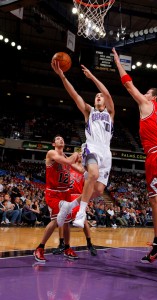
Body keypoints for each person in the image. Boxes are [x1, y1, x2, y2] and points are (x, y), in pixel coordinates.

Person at [112, 48, 157, 263]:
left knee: (155, 199)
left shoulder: (146, 104)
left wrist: (117, 61)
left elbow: (127, 84)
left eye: (147, 92)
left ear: (152, 97)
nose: (143, 94)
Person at [51, 61, 115, 228]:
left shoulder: (110, 113)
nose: (99, 96)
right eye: (96, 96)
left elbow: (107, 93)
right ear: (94, 102)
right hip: (91, 147)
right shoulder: (89, 111)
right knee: (92, 175)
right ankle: (81, 213)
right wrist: (62, 76)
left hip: (106, 153)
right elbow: (74, 95)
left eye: (100, 96)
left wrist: (92, 77)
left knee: (99, 190)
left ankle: (70, 205)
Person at [34, 135, 79, 262]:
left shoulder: (65, 156)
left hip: (65, 193)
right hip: (54, 193)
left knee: (66, 222)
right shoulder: (51, 153)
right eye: (58, 139)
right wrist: (76, 154)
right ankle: (40, 247)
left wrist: (90, 166)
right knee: (55, 221)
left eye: (62, 139)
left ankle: (67, 248)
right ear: (53, 144)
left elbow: (80, 169)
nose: (61, 140)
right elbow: (70, 162)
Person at [53, 160, 97, 257]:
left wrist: (84, 199)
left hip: (78, 196)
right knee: (63, 221)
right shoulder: (68, 168)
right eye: (78, 154)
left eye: (81, 154)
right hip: (67, 196)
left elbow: (88, 187)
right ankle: (62, 244)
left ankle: (89, 243)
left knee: (84, 220)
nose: (80, 155)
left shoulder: (84, 170)